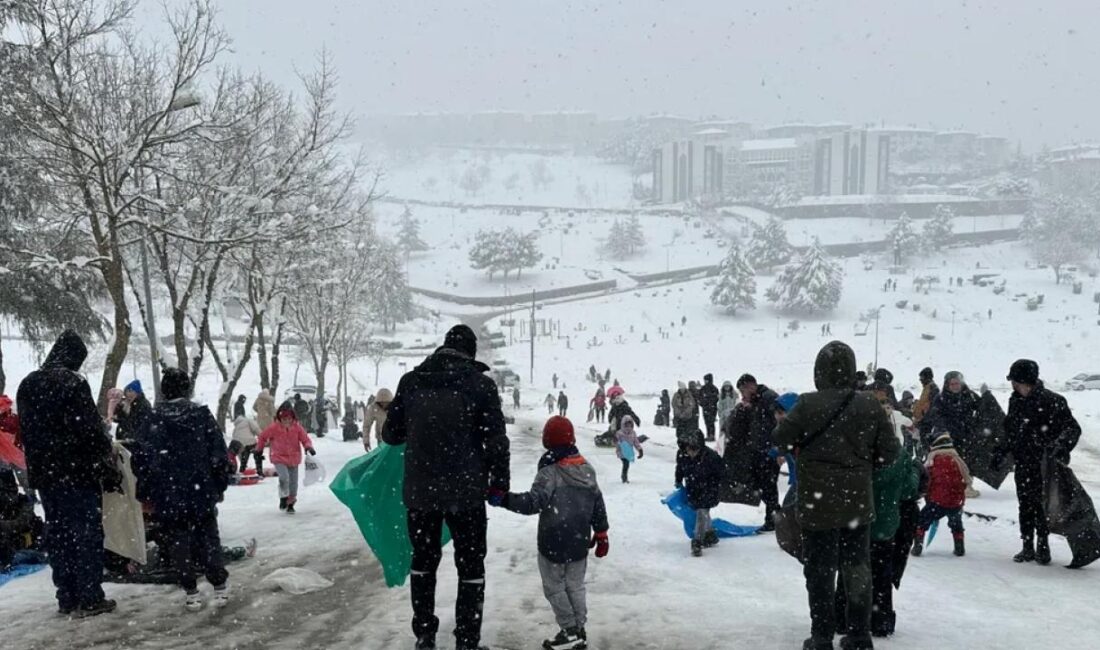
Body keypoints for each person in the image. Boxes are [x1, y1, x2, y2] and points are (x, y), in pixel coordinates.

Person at [382, 324, 510, 650]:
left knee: (423, 562)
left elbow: (391, 435)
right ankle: (467, 640)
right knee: (470, 567)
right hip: (466, 494)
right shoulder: (480, 386)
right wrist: (500, 485)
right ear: (471, 352)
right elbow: (496, 441)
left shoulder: (411, 383)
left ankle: (425, 637)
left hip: (421, 493)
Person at [774, 341, 900, 650]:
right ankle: (858, 634)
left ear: (819, 371)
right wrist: (863, 464)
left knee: (820, 570)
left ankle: (821, 636)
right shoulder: (869, 405)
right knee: (857, 568)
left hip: (818, 503)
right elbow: (891, 452)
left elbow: (780, 440)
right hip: (857, 500)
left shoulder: (807, 404)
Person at [16, 330, 118, 617]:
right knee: (85, 533)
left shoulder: (28, 383)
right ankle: (90, 596)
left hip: (45, 475)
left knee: (58, 533)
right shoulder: (72, 383)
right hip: (77, 473)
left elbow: (28, 431)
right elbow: (88, 431)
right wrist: (103, 460)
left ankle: (67, 596)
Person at [494, 416, 608, 650]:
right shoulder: (587, 468)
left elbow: (533, 503)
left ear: (547, 441)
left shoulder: (549, 472)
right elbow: (598, 502)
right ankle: (579, 628)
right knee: (575, 585)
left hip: (553, 541)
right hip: (578, 541)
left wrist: (504, 499)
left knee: (554, 587)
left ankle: (569, 630)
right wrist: (602, 532)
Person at [133, 369, 231, 611]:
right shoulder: (201, 416)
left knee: (178, 542)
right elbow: (218, 454)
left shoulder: (153, 419)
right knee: (208, 538)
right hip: (201, 490)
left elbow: (142, 459)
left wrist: (145, 493)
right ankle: (219, 585)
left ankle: (190, 590)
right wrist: (219, 485)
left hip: (168, 492)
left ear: (164, 391)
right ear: (187, 389)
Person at [998, 359, 1081, 566]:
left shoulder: (1053, 400)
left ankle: (1043, 545)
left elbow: (1072, 428)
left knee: (1042, 505)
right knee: (1025, 504)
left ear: (1027, 381)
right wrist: (1001, 450)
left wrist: (1059, 446)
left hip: (1046, 465)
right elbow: (1011, 429)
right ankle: (1027, 546)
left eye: (1016, 382)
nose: (1013, 386)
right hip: (1024, 463)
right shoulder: (1015, 400)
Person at [724, 374, 780, 531]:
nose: (742, 395)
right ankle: (776, 513)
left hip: (769, 450)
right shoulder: (752, 402)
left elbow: (779, 421)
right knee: (759, 484)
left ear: (751, 386)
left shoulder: (769, 398)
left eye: (743, 390)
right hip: (756, 450)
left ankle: (773, 518)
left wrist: (778, 448)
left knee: (769, 485)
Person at [920, 371, 981, 497]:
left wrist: (987, 396)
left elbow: (983, 409)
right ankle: (958, 486)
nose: (955, 386)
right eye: (952, 384)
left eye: (957, 383)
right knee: (954, 462)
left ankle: (967, 486)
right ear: (947, 385)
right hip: (950, 436)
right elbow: (934, 416)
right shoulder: (941, 398)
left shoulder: (969, 395)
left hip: (968, 435)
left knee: (968, 461)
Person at [911, 434, 970, 558]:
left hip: (937, 501)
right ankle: (959, 546)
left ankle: (918, 545)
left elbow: (927, 480)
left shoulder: (932, 460)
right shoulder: (957, 459)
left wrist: (924, 493)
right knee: (956, 523)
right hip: (955, 501)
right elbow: (967, 478)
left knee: (921, 521)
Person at [255, 403, 315, 514]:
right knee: (284, 477)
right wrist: (259, 449)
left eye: (289, 419)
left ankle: (291, 503)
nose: (287, 421)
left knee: (293, 483)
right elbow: (263, 437)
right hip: (279, 457)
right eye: (284, 419)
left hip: (294, 458)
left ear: (293, 418)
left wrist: (308, 447)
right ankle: (283, 497)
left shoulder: (297, 428)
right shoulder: (274, 428)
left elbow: (305, 439)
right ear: (279, 418)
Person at [677, 433, 723, 557]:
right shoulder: (683, 455)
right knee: (702, 511)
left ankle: (697, 540)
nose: (691, 453)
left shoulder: (711, 457)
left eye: (694, 450)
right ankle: (710, 534)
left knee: (702, 511)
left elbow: (721, 473)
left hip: (709, 489)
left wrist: (716, 487)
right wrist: (678, 480)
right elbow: (680, 468)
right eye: (689, 450)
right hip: (694, 488)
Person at [113, 379, 152, 444]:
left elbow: (139, 426)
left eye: (131, 391)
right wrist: (120, 410)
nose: (128, 395)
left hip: (136, 443)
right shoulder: (128, 404)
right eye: (126, 392)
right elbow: (117, 419)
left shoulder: (143, 405)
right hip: (124, 440)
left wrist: (125, 415)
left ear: (137, 393)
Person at [614, 415, 644, 484]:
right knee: (626, 463)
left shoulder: (633, 433)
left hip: (628, 451)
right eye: (627, 425)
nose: (628, 427)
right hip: (621, 451)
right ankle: (624, 477)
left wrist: (640, 450)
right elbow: (616, 442)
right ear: (623, 424)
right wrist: (616, 441)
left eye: (630, 425)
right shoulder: (619, 433)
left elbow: (636, 442)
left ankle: (624, 476)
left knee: (627, 464)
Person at [698, 373, 720, 442]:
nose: (705, 381)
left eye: (706, 380)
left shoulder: (714, 388)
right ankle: (709, 435)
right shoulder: (703, 388)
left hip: (712, 408)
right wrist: (703, 404)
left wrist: (708, 403)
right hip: (706, 408)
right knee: (707, 422)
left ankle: (712, 435)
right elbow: (700, 398)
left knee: (711, 422)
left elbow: (716, 399)